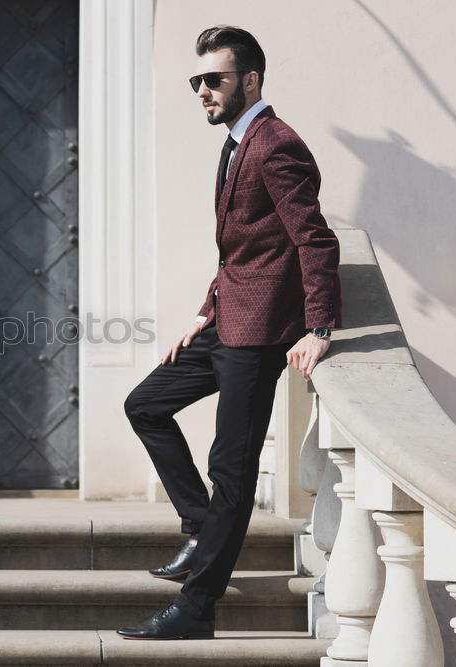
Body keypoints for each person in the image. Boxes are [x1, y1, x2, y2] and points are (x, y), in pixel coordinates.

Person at [117, 25, 342, 640]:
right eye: (196, 82)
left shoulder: (276, 145)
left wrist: (319, 324)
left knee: (232, 469)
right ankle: (200, 527)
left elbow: (313, 239)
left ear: (251, 80)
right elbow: (241, 251)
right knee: (145, 404)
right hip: (226, 320)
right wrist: (202, 312)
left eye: (213, 80)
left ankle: (196, 609)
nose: (202, 91)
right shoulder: (236, 142)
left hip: (262, 333)